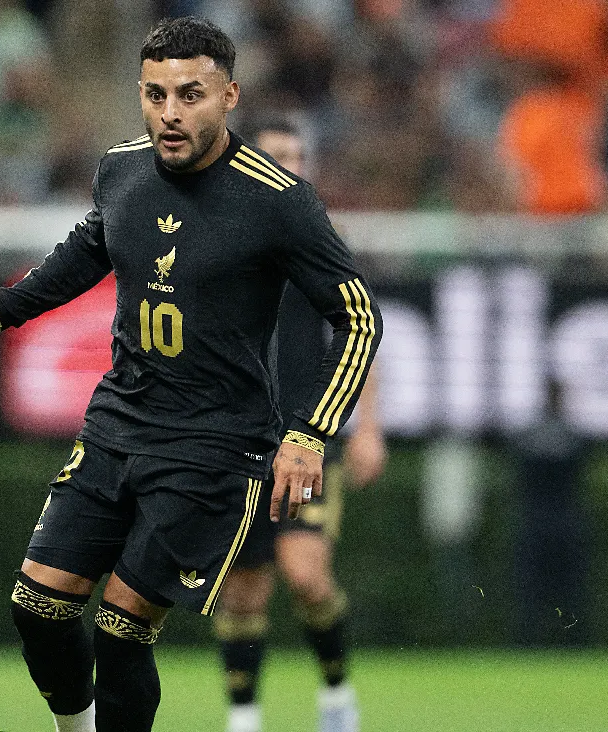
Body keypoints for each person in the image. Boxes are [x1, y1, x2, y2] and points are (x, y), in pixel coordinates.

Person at [0, 17, 381, 732]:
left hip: (214, 446)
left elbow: (360, 318)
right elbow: (90, 247)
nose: (170, 113)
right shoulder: (122, 167)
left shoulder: (278, 200)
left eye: (190, 95)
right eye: (155, 94)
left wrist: (309, 435)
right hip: (119, 422)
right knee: (37, 608)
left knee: (121, 628)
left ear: (229, 96)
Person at [211, 120, 387, 732]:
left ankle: (336, 694)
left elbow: (361, 334)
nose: (287, 165)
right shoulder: (222, 238)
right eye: (275, 155)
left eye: (296, 156)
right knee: (244, 590)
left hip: (308, 436)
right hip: (239, 443)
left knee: (307, 575)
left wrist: (368, 427)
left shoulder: (322, 242)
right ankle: (244, 715)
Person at [507, 381, 589, 647]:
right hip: (566, 520)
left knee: (531, 588)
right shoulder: (573, 436)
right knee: (570, 588)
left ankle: (529, 641)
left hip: (535, 520)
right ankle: (573, 640)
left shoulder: (528, 437)